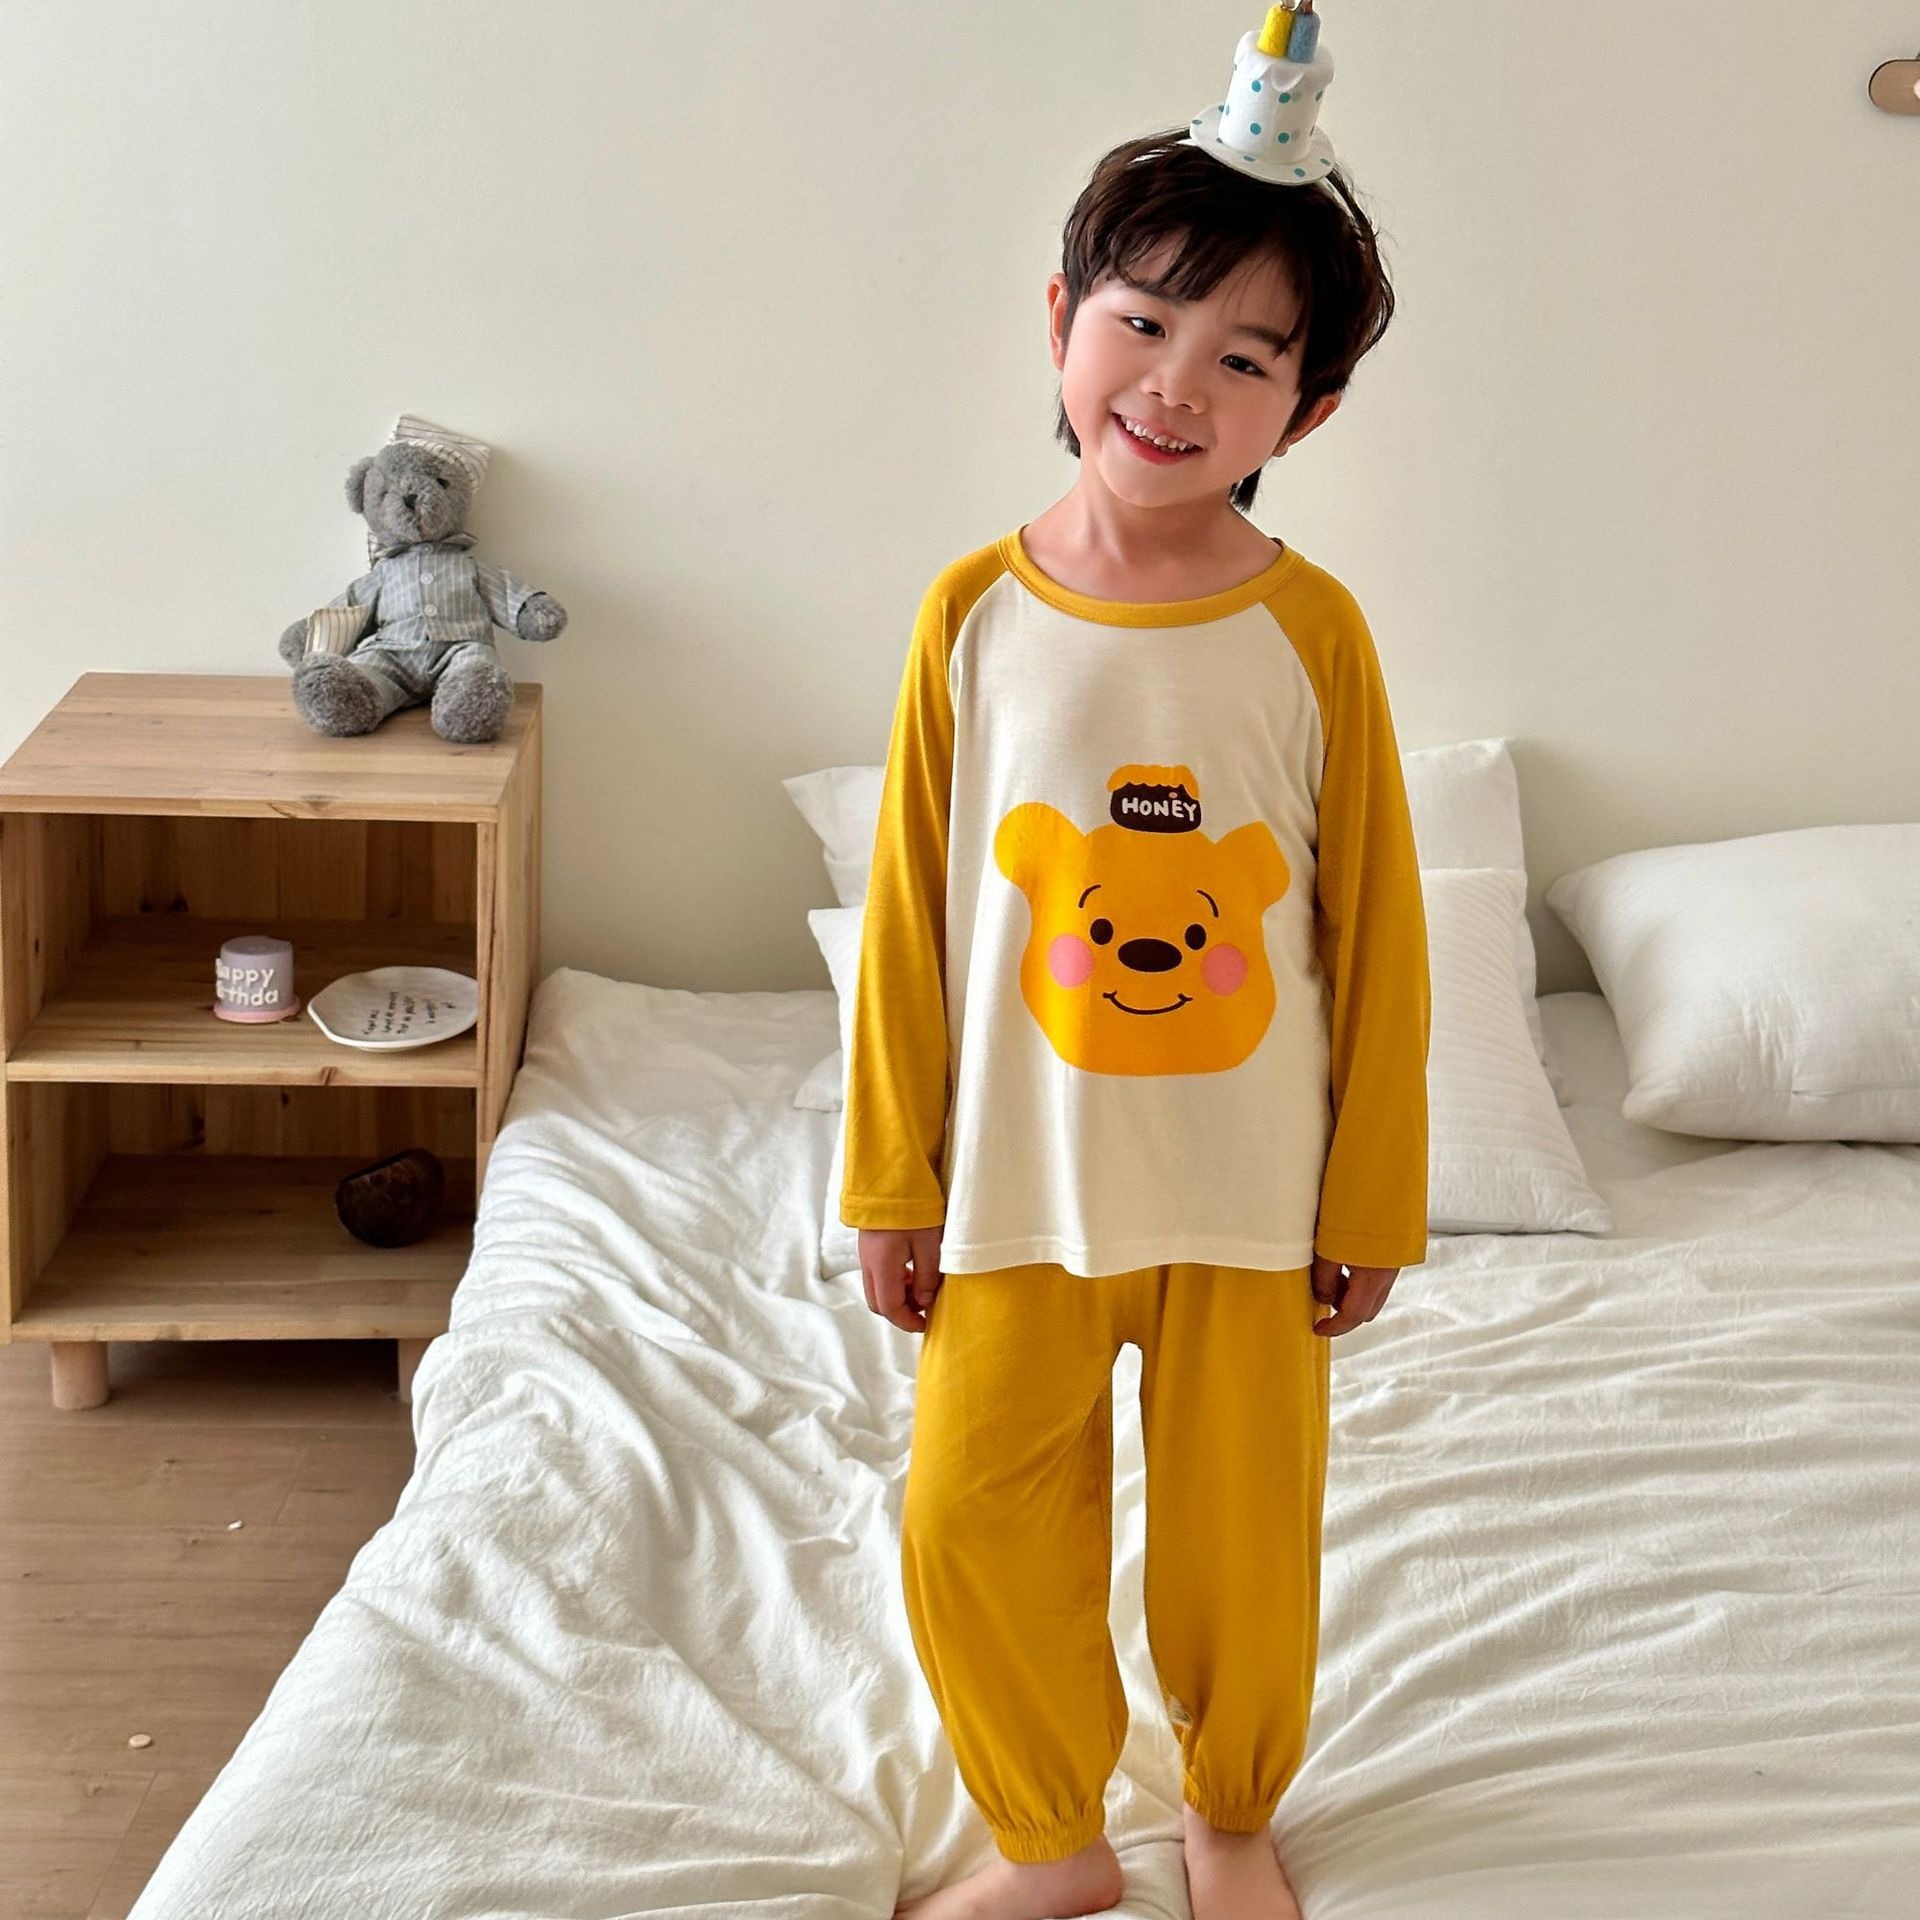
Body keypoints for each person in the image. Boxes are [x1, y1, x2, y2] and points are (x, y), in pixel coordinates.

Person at [841, 16, 1428, 1917]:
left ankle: (1231, 1809)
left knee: (1244, 1541)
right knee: (969, 1517)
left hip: (1249, 1203)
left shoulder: (1311, 633)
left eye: (1246, 357)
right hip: (1019, 1188)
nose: (1177, 385)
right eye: (1144, 321)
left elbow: (1377, 931)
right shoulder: (972, 614)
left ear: (1303, 414)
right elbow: (920, 918)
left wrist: (1373, 1195)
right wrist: (891, 1173)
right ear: (1060, 321)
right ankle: (1054, 1842)